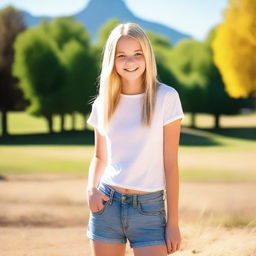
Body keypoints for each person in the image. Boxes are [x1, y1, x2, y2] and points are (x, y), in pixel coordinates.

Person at [86, 22, 185, 256]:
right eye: (122, 55)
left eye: (137, 54)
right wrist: (90, 189)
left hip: (149, 210)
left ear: (147, 56)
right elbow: (100, 156)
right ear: (112, 59)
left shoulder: (166, 97)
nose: (130, 62)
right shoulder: (103, 102)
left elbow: (170, 163)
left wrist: (173, 223)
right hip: (107, 206)